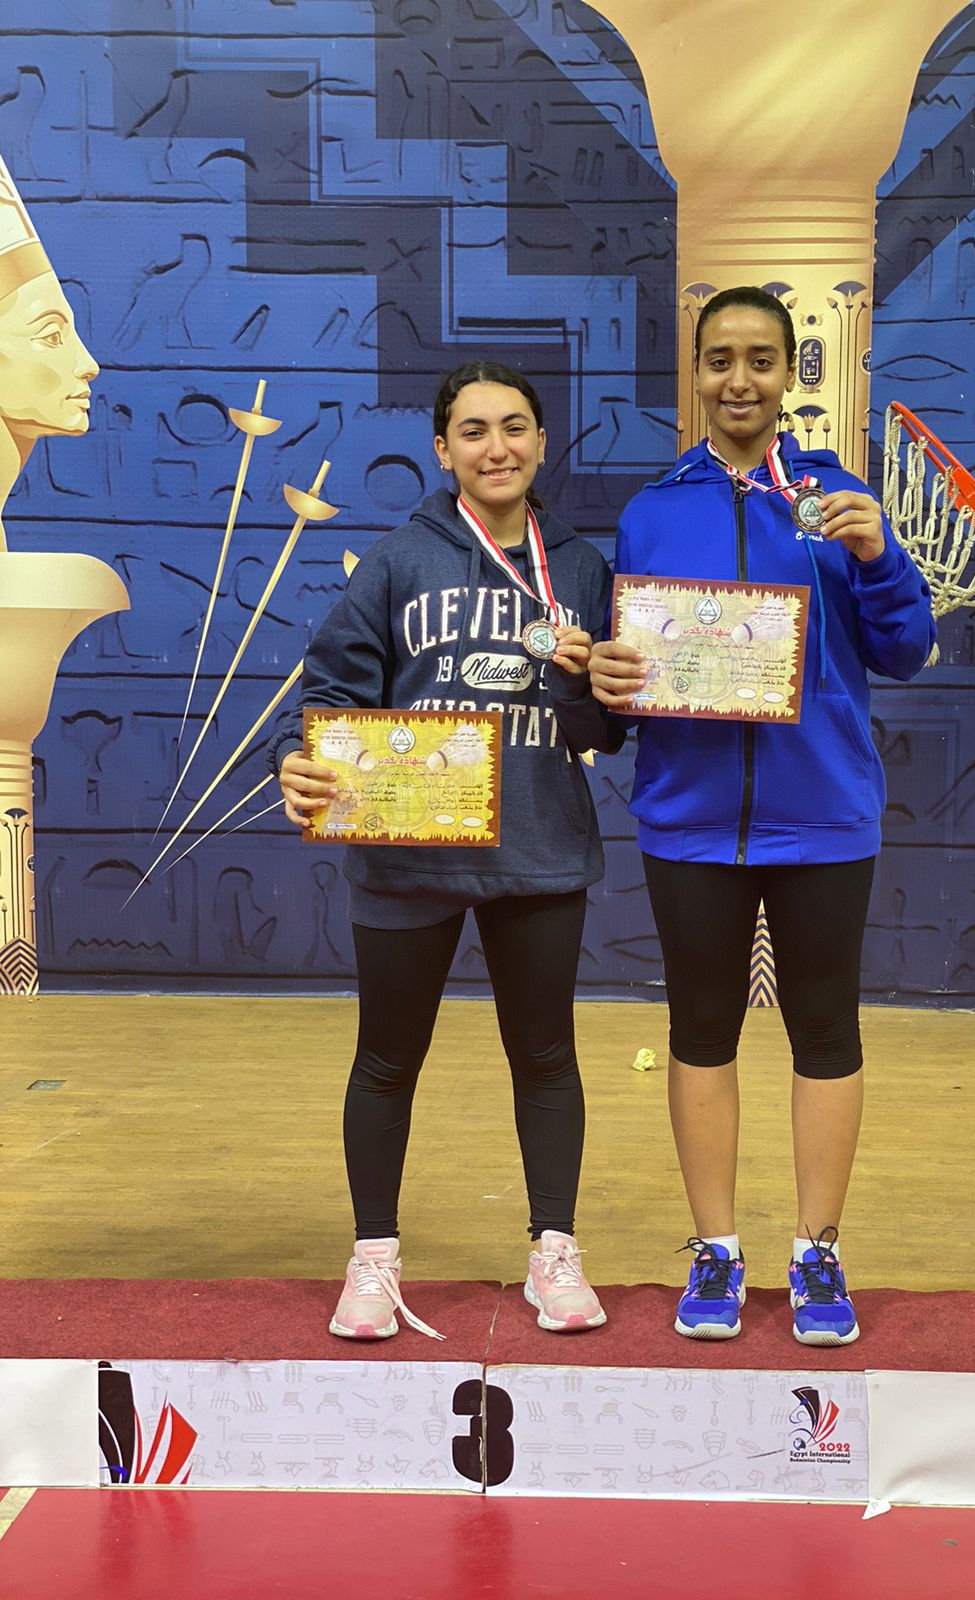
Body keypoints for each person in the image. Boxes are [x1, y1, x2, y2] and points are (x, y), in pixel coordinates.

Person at [589, 287, 935, 1345]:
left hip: (823, 814)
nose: (739, 380)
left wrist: (880, 558)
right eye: (719, 359)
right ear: (695, 375)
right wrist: (610, 678)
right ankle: (716, 1251)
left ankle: (818, 1252)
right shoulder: (653, 512)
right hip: (689, 819)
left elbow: (907, 650)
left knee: (825, 1031)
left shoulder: (840, 501)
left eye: (760, 359)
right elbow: (627, 680)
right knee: (700, 1033)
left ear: (792, 374)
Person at [269, 360, 622, 1340]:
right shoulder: (397, 561)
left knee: (545, 1054)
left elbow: (605, 730)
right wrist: (296, 758)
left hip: (538, 846)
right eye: (474, 430)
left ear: (541, 440)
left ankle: (555, 1250)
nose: (496, 447)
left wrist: (585, 684)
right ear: (442, 448)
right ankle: (373, 1259)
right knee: (386, 1057)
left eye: (514, 427)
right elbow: (328, 692)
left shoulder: (582, 568)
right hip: (407, 849)